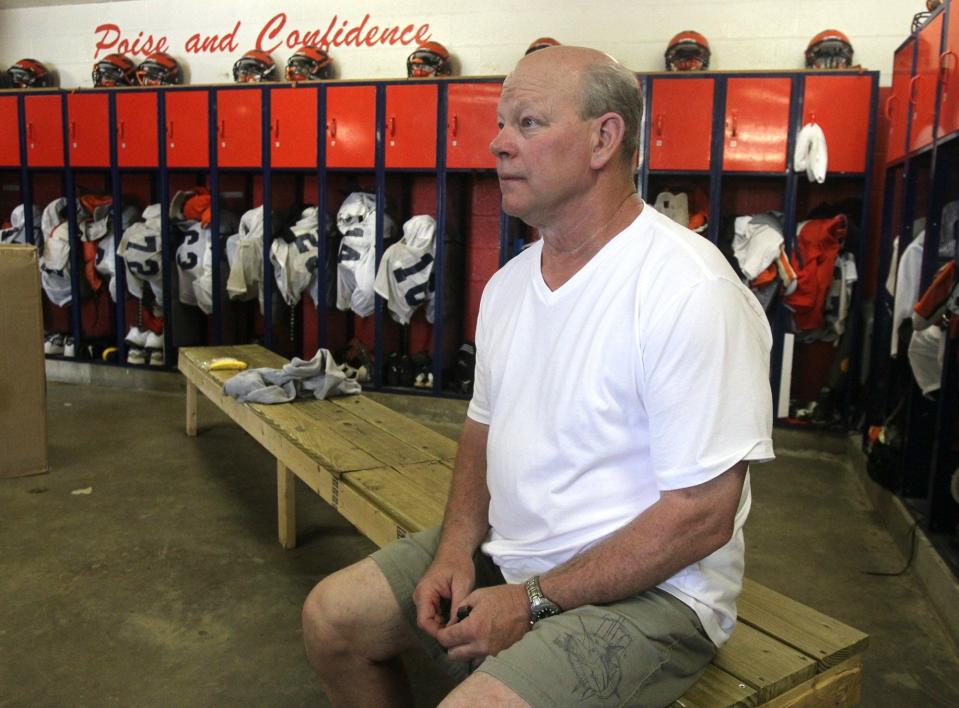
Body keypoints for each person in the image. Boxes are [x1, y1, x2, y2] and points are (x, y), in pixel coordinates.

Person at [302, 45, 774, 707]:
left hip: (658, 591)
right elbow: (481, 428)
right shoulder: (508, 285)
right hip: (517, 550)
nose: (497, 144)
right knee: (332, 619)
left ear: (603, 138)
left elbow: (700, 519)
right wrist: (455, 548)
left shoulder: (688, 291)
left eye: (527, 123)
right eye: (501, 124)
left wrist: (530, 602)